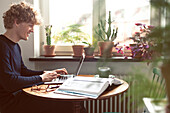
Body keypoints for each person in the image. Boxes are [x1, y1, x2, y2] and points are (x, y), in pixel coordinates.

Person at [0, 1, 86, 113]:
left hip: (19, 96)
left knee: (73, 101)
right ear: (16, 22)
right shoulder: (2, 46)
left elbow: (22, 71)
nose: (32, 29)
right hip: (10, 104)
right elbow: (10, 82)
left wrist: (47, 73)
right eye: (30, 25)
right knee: (68, 104)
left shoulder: (15, 46)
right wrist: (42, 78)